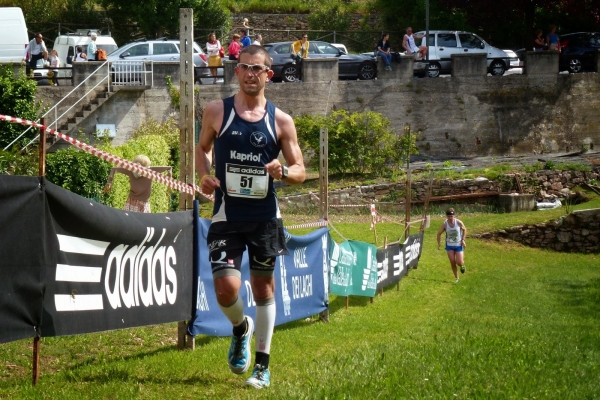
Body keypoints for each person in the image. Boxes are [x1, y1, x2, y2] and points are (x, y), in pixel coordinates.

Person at [195, 44, 306, 389]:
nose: (251, 74)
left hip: (264, 217)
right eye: (245, 67)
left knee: (262, 287)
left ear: (268, 75)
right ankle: (241, 327)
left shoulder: (281, 120)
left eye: (258, 69)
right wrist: (205, 175)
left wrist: (283, 172)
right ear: (236, 71)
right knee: (226, 290)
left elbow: (301, 169)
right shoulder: (217, 111)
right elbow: (202, 150)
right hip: (227, 216)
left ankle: (262, 367)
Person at [104, 155, 172, 213]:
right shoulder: (135, 170)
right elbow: (114, 169)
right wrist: (109, 182)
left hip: (140, 202)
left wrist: (109, 182)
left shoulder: (148, 171)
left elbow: (169, 168)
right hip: (135, 201)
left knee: (135, 221)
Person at [437, 208, 467, 284]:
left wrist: (463, 240)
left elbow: (464, 230)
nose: (450, 218)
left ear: (454, 216)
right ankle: (457, 278)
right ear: (446, 216)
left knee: (459, 262)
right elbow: (439, 233)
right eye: (449, 216)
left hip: (458, 245)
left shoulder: (459, 222)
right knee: (452, 262)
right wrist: (439, 243)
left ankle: (462, 265)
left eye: (452, 216)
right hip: (449, 245)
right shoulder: (445, 224)